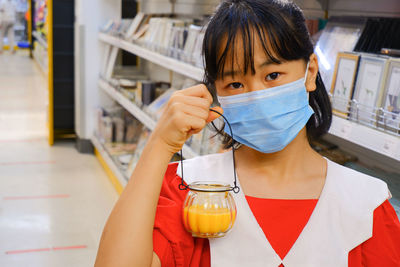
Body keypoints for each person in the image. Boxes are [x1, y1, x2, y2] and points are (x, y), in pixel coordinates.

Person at [95, 0, 400, 266]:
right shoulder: (189, 190)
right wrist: (159, 145)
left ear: (309, 73)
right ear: (218, 94)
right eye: (236, 84)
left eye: (272, 75)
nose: (255, 96)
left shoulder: (366, 204)